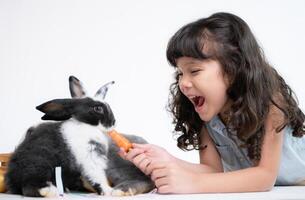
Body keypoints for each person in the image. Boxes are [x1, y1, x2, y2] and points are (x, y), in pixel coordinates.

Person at [119, 12, 305, 194]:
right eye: (180, 73)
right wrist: (168, 160)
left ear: (232, 69)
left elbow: (264, 177)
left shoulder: (271, 101)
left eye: (194, 70)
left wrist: (192, 184)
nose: (183, 83)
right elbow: (211, 170)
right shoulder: (206, 112)